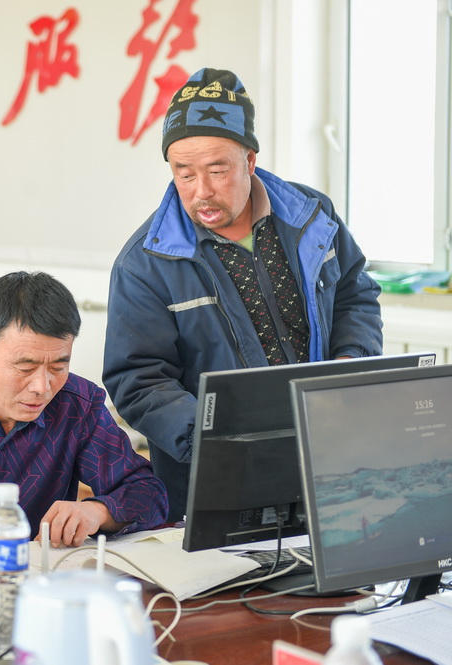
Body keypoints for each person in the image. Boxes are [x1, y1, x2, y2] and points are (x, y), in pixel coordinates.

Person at [103, 68, 383, 521]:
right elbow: (138, 381)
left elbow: (354, 293)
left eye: (218, 170)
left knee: (342, 582)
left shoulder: (311, 217)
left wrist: (350, 364)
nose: (202, 192)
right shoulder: (146, 263)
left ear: (249, 161)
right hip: (217, 482)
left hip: (329, 455)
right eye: (184, 173)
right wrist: (214, 440)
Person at [0, 271, 168, 558]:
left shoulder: (78, 405)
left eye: (58, 367)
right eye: (25, 367)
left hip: (34, 576)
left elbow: (149, 494)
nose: (42, 387)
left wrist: (96, 511)